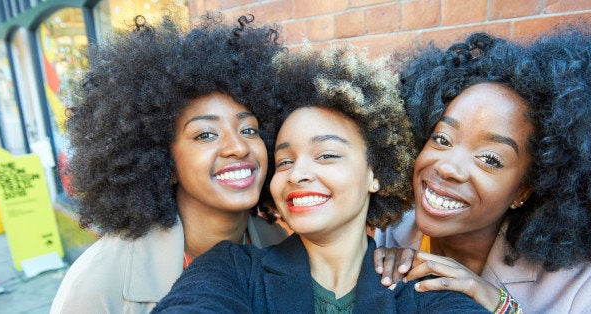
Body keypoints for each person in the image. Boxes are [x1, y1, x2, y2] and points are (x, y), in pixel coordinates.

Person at [152, 46, 488, 313]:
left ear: (376, 174)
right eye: (284, 161)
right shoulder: (231, 269)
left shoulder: (421, 287)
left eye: (327, 154)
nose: (297, 174)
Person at [51, 14, 288, 313]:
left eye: (249, 130)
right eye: (205, 134)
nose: (238, 147)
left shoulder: (277, 244)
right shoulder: (99, 284)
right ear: (164, 161)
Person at [374, 27, 591, 313]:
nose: (449, 167)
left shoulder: (581, 289)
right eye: (441, 139)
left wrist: (501, 306)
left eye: (490, 159)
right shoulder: (382, 233)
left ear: (523, 189)